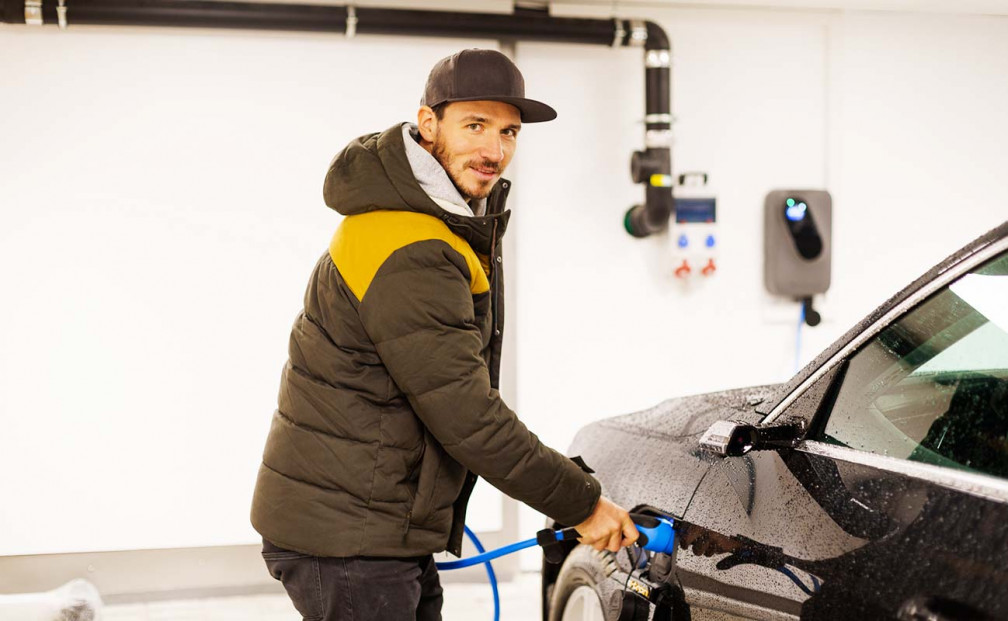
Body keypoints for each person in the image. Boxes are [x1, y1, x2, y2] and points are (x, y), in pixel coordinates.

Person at [250, 48, 638, 621]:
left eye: (508, 132)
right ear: (429, 125)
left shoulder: (421, 222)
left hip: (368, 528)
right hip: (350, 538)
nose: (494, 151)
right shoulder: (412, 246)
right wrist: (581, 502)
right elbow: (466, 414)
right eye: (475, 126)